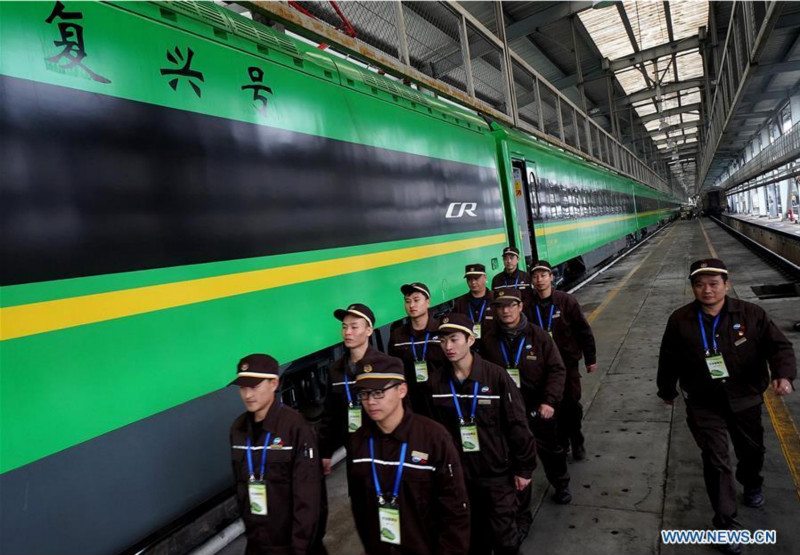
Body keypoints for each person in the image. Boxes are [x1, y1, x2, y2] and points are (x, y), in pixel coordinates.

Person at [658, 259, 796, 554]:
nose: (707, 290)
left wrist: (783, 375)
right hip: (703, 402)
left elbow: (779, 346)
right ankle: (726, 525)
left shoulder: (751, 314)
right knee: (716, 460)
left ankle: (752, 483)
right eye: (699, 284)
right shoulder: (680, 320)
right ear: (693, 287)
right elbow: (668, 358)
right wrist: (666, 390)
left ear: (726, 285)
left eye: (713, 284)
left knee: (752, 451)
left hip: (745, 398)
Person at [428, 313, 537, 555]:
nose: (448, 346)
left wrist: (524, 468)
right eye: (443, 340)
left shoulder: (495, 377)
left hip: (496, 474)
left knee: (505, 539)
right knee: (473, 539)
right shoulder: (436, 383)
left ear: (470, 339)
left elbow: (517, 424)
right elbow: (435, 434)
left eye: (454, 339)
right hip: (460, 477)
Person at [348, 354, 471, 555]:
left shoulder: (434, 438)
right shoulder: (358, 442)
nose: (370, 401)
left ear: (402, 390)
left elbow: (455, 509)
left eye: (378, 393)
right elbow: (360, 506)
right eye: (364, 394)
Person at [481, 288, 569, 546]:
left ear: (520, 307)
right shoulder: (489, 340)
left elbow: (557, 369)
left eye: (511, 305)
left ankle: (561, 483)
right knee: (517, 465)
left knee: (551, 452)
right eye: (500, 306)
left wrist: (549, 401)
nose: (505, 311)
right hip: (508, 414)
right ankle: (522, 517)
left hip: (537, 409)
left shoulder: (539, 337)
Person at [229, 354, 324, 555]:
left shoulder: (295, 427)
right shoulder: (238, 430)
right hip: (257, 544)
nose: (248, 395)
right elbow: (241, 489)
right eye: (243, 387)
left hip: (291, 546)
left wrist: (300, 547)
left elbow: (308, 497)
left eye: (254, 387)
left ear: (274, 384)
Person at [530, 260, 596, 460]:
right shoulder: (528, 306)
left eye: (543, 275)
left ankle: (577, 441)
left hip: (568, 364)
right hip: (542, 367)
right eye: (535, 276)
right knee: (552, 407)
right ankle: (562, 442)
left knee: (571, 405)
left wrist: (590, 358)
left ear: (551, 277)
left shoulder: (567, 301)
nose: (539, 280)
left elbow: (583, 330)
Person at [319, 303, 388, 477]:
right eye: (344, 327)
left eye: (354, 327)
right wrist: (325, 451)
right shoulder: (335, 371)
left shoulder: (386, 366)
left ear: (369, 331)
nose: (347, 332)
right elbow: (330, 413)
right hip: (354, 450)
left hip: (384, 449)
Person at [388, 282, 446, 417]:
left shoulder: (442, 331)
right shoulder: (397, 336)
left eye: (416, 300)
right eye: (407, 301)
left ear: (428, 302)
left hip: (441, 398)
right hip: (412, 401)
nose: (411, 305)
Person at [452, 263, 495, 345]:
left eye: (476, 278)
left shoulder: (495, 299)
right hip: (469, 346)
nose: (473, 282)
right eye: (469, 279)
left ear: (485, 278)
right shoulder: (460, 302)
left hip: (492, 346)